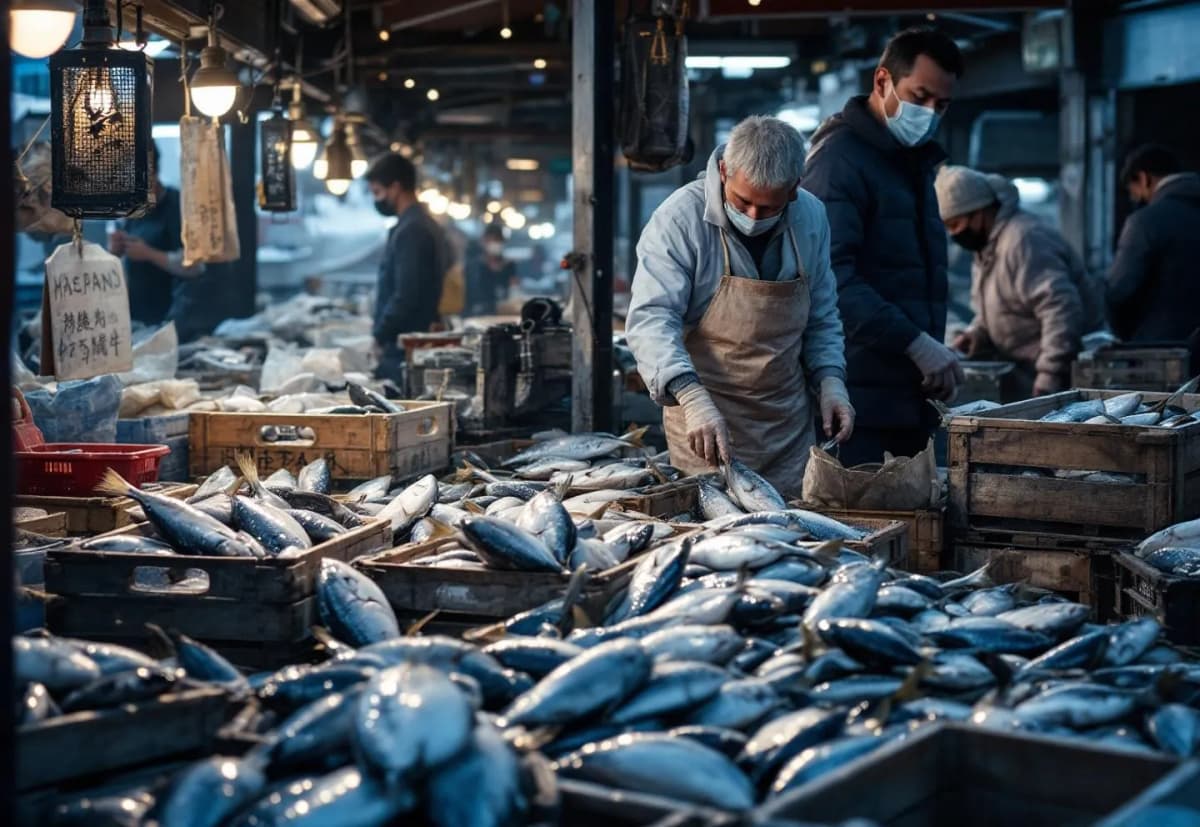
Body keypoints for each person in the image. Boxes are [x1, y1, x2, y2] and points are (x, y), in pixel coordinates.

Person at [625, 115, 854, 496]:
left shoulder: (811, 216)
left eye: (767, 208)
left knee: (793, 536)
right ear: (723, 170)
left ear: (794, 189)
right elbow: (652, 319)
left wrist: (831, 379)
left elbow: (821, 315)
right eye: (743, 201)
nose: (751, 217)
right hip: (705, 422)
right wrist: (692, 397)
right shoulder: (679, 218)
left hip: (786, 426)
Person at [801, 27, 964, 467]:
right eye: (920, 95)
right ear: (882, 82)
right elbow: (831, 278)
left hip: (902, 398)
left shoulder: (912, 163)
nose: (929, 113)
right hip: (856, 404)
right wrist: (914, 342)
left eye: (941, 105)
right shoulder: (839, 162)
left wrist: (929, 352)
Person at [935, 165, 1103, 397]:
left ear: (979, 212)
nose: (954, 235)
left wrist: (1049, 376)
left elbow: (1060, 310)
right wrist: (977, 334)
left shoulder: (1024, 240)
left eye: (956, 225)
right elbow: (1003, 306)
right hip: (1028, 370)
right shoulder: (987, 248)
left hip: (1066, 377)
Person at [366, 153, 451, 381]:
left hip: (403, 345)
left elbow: (406, 294)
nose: (377, 200)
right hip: (413, 339)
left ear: (395, 187)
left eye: (378, 192)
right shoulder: (425, 224)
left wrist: (379, 334)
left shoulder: (411, 231)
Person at [1107, 144, 1200, 344]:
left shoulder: (1145, 222)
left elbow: (1119, 291)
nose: (1135, 199)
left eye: (1134, 191)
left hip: (1166, 351)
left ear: (1143, 178)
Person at [109, 142, 202, 329]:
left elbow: (196, 266)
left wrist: (149, 254)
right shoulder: (134, 209)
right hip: (136, 317)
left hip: (176, 317)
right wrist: (114, 253)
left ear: (154, 171)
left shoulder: (178, 204)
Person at [465, 224, 515, 316]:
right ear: (483, 241)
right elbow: (470, 293)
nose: (493, 243)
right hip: (477, 314)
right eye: (489, 240)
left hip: (502, 313)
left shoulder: (509, 265)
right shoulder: (473, 266)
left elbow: (513, 289)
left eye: (497, 240)